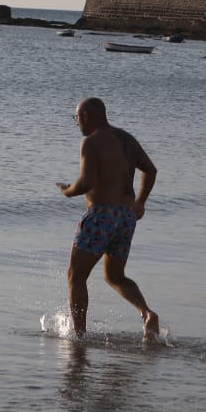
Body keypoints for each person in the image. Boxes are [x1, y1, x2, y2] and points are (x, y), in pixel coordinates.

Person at [55, 97, 159, 338]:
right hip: (125, 217)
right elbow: (151, 170)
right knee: (115, 276)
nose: (77, 123)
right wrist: (140, 202)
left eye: (77, 118)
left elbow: (86, 183)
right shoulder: (126, 139)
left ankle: (78, 335)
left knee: (75, 275)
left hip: (101, 215)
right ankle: (146, 313)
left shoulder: (90, 142)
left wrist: (67, 190)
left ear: (87, 117)